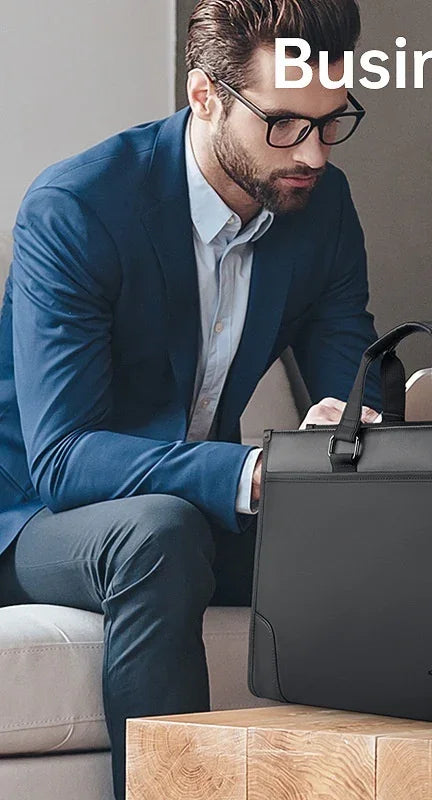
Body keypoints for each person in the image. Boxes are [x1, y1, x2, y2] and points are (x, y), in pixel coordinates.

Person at [0, 0, 382, 796]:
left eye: (331, 120)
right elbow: (64, 458)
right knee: (160, 533)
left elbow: (354, 368)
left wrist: (355, 433)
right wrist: (248, 474)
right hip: (32, 514)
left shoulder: (320, 207)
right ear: (205, 95)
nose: (312, 152)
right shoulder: (79, 208)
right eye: (284, 124)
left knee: (379, 540)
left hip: (186, 503)